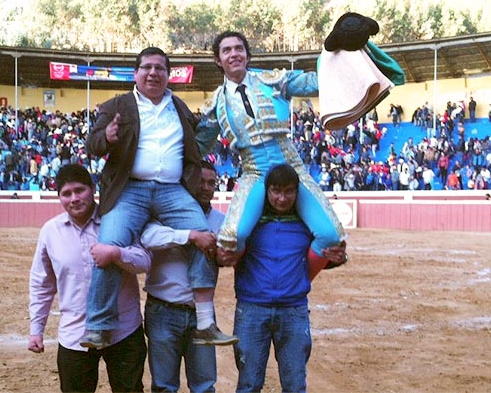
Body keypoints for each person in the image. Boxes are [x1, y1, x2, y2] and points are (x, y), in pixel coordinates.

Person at [83, 47, 232, 349]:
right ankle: (98, 326)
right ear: (136, 73)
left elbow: (197, 144)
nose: (153, 73)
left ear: (168, 75)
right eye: (147, 67)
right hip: (130, 189)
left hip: (172, 190)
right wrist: (107, 138)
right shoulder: (116, 105)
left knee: (205, 236)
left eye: (160, 68)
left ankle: (205, 323)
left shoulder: (180, 108)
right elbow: (92, 145)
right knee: (109, 245)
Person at [197, 31, 345, 278]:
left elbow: (316, 82)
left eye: (239, 48)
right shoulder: (216, 104)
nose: (234, 54)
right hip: (255, 172)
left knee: (330, 236)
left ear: (247, 55)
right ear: (218, 60)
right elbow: (199, 145)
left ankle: (300, 280)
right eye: (227, 50)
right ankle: (252, 281)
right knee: (232, 238)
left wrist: (335, 52)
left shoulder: (273, 81)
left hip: (291, 167)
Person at [218, 164, 347, 393]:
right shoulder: (249, 224)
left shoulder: (308, 224)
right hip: (253, 308)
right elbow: (228, 254)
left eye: (288, 191)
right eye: (276, 191)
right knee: (249, 384)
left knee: (294, 385)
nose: (282, 198)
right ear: (267, 191)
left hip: (292, 309)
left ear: (297, 192)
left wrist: (339, 258)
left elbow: (321, 256)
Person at [28, 164, 150, 392]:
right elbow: (41, 284)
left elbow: (145, 260)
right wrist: (37, 329)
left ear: (93, 189)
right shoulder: (50, 231)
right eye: (66, 193)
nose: (74, 198)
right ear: (59, 198)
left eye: (79, 190)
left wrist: (117, 254)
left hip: (123, 329)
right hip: (76, 333)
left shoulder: (118, 221)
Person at [140, 160, 234, 392]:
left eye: (211, 183)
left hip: (200, 314)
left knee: (204, 387)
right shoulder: (164, 211)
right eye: (200, 181)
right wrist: (190, 236)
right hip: (163, 309)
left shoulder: (221, 221)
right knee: (164, 387)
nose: (205, 187)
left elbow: (226, 257)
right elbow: (148, 238)